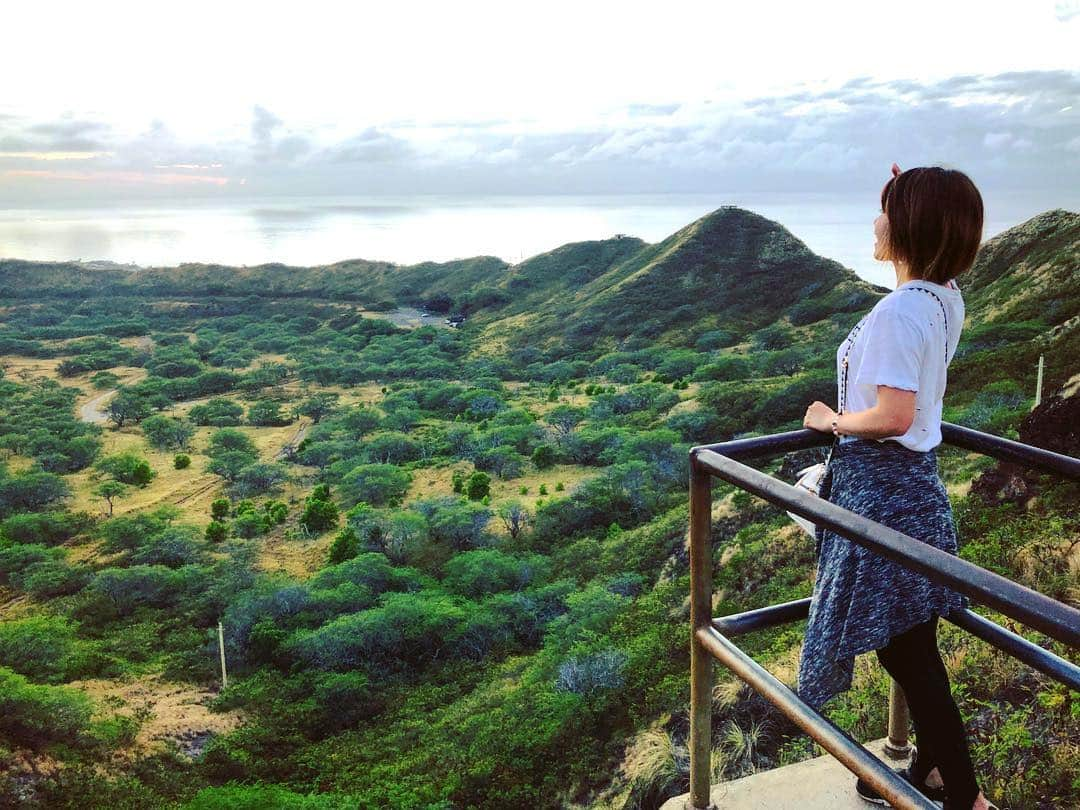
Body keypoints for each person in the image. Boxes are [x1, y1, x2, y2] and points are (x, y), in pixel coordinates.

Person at [800, 164, 998, 810]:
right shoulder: (944, 298)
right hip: (917, 493)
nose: (876, 221)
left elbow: (892, 416)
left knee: (908, 654)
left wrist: (832, 420)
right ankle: (937, 773)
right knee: (911, 646)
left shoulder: (897, 313)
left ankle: (961, 795)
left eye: (886, 209)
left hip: (882, 495)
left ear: (910, 223)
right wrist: (909, 184)